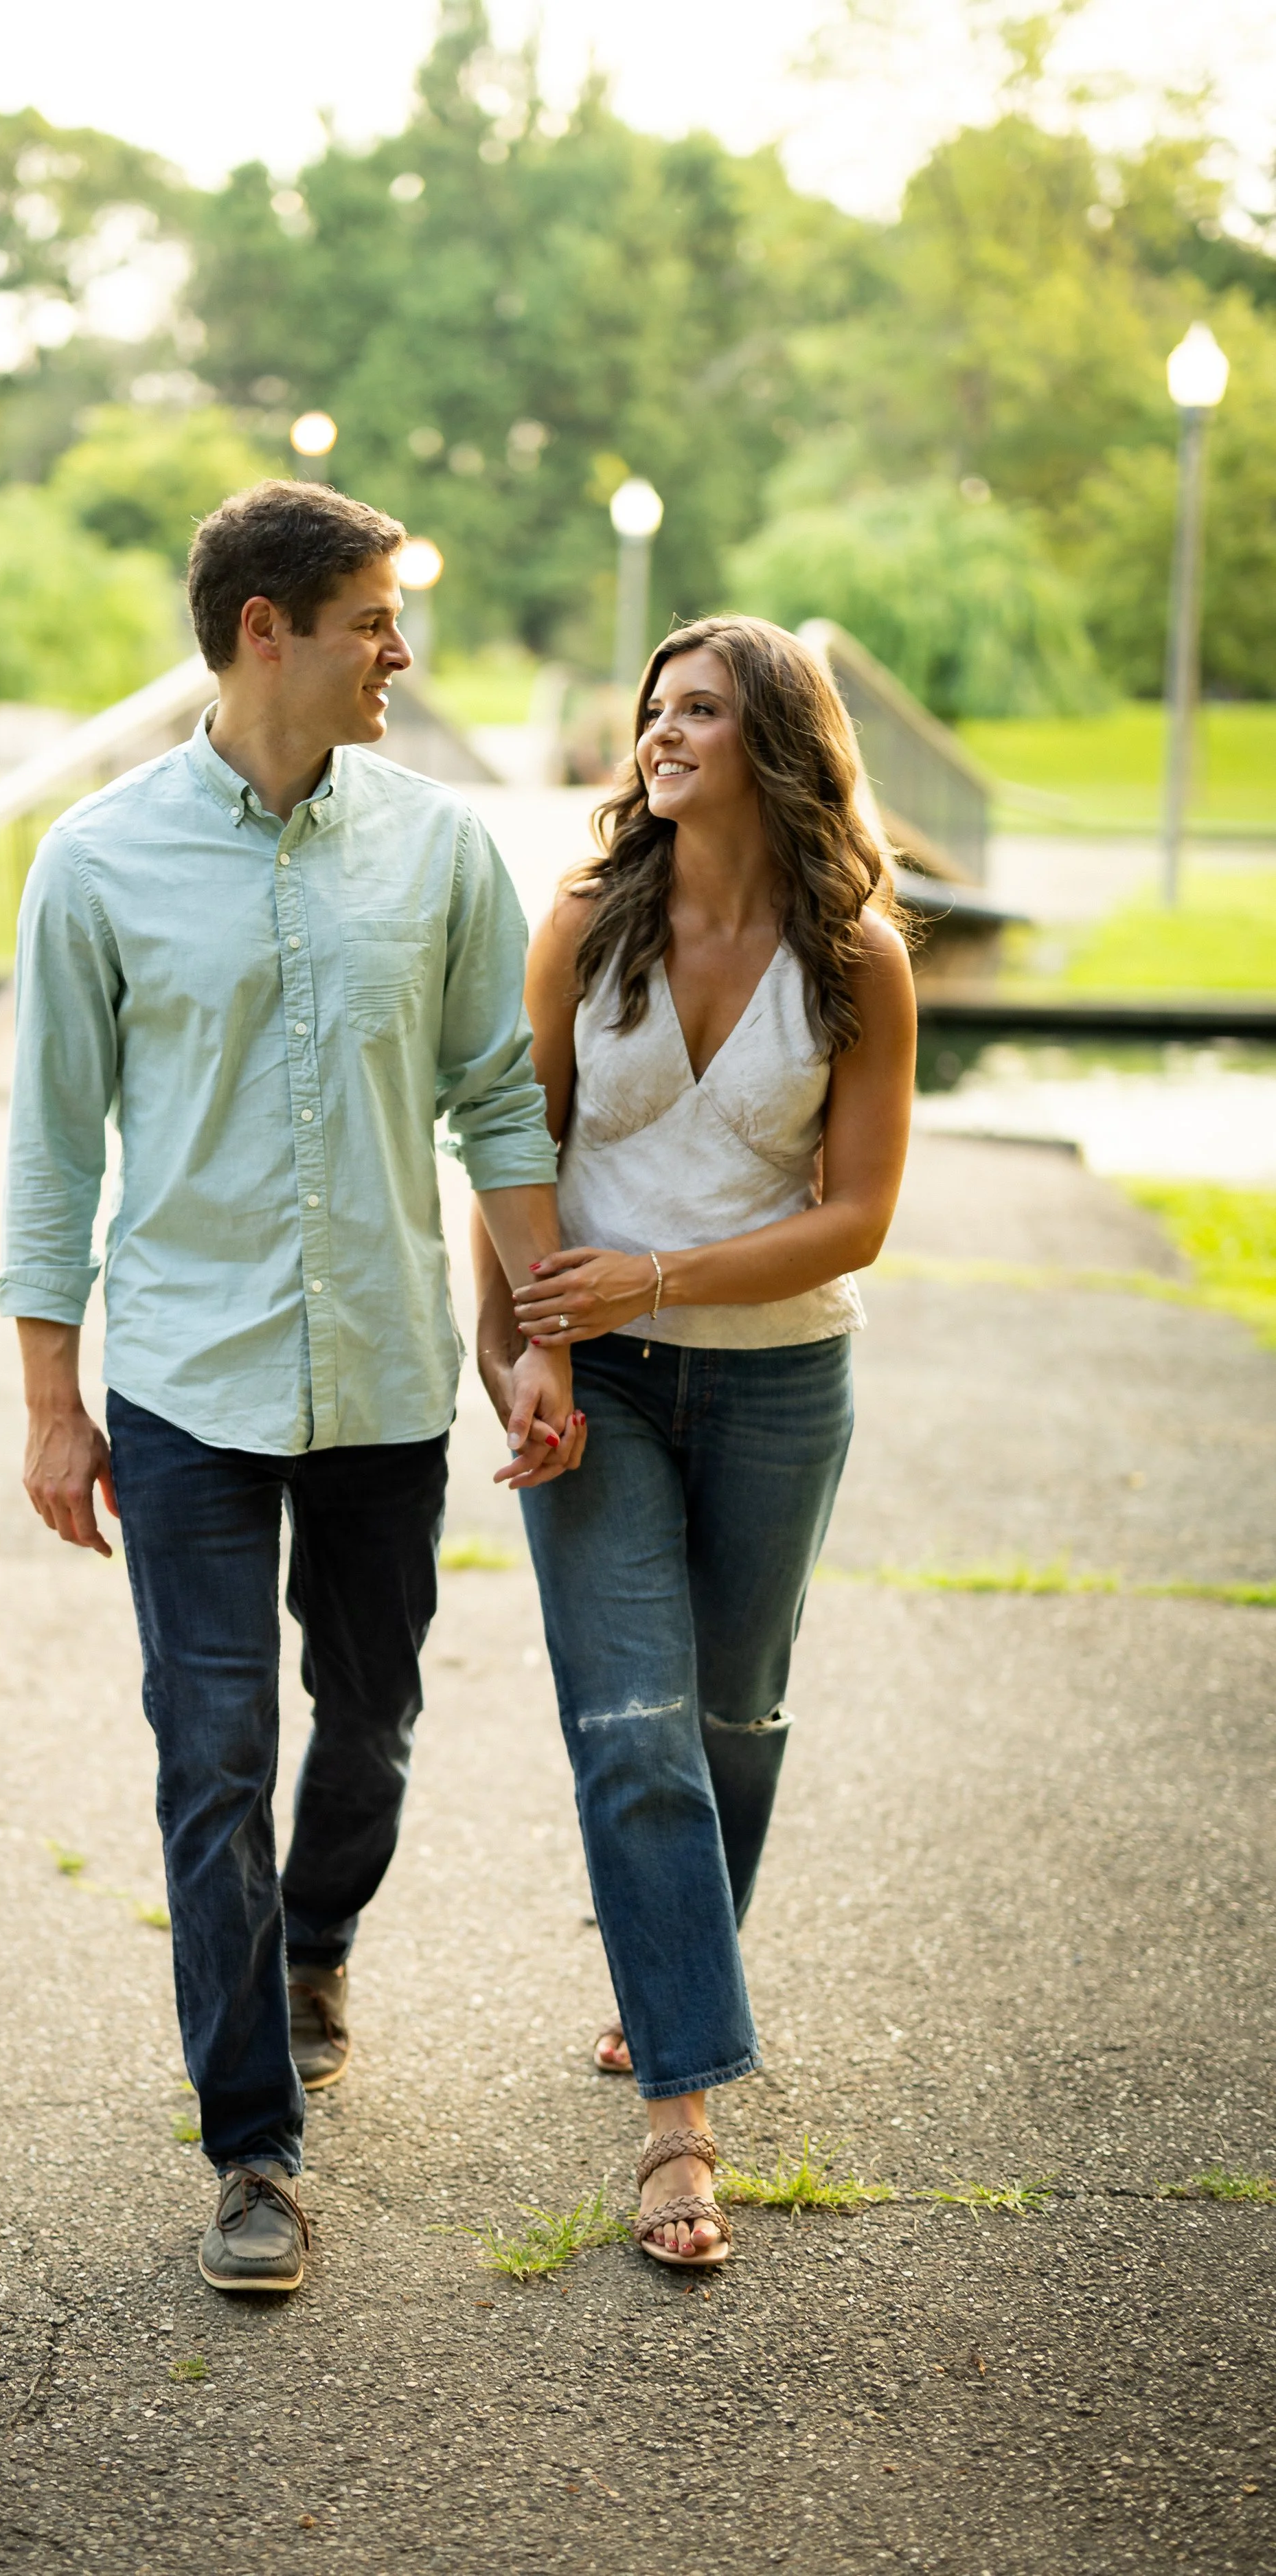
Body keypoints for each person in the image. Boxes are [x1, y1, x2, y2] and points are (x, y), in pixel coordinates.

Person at [0, 480, 580, 2296]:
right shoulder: (92, 861)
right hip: (182, 1375)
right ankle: (251, 2142)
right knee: (209, 1748)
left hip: (388, 1378)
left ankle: (317, 1927)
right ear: (269, 628)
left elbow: (495, 1095)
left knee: (373, 1718)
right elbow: (50, 1147)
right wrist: (48, 1395)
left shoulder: (439, 849)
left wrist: (537, 1329)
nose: (399, 651)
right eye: (375, 620)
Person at [473, 615, 915, 2270]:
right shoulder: (587, 921)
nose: (660, 735)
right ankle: (680, 2121)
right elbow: (511, 1140)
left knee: (733, 1713)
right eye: (653, 710)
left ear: (776, 741)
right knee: (634, 1726)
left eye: (700, 712)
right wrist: (512, 1350)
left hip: (780, 1386)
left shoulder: (855, 957)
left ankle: (667, 1970)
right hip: (599, 1385)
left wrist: (662, 1265)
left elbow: (857, 1217)